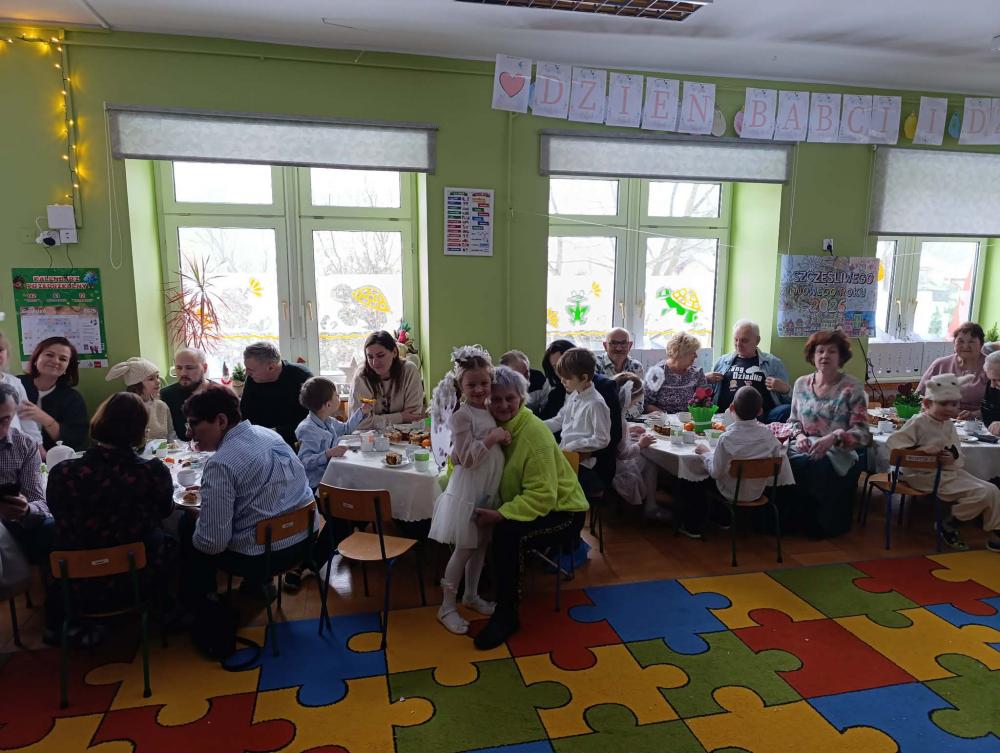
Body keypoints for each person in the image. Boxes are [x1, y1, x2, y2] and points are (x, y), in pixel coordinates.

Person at [471, 366, 589, 649]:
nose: (503, 405)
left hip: (564, 511)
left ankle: (506, 613)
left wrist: (501, 514)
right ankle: (477, 583)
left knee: (507, 534)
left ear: (522, 399)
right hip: (530, 502)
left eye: (510, 398)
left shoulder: (532, 433)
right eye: (496, 399)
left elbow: (543, 495)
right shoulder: (494, 427)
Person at [44, 392, 177, 642]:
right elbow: (165, 511)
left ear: (100, 421)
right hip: (137, 578)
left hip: (76, 582)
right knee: (173, 537)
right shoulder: (152, 471)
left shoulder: (63, 472)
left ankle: (59, 625)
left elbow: (57, 512)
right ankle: (169, 611)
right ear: (140, 431)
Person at [428, 346, 508, 634]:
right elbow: (467, 459)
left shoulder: (489, 409)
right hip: (469, 489)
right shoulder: (462, 416)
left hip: (488, 487)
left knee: (481, 545)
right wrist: (492, 438)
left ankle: (471, 595)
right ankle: (447, 606)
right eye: (471, 384)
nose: (478, 389)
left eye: (484, 383)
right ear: (460, 386)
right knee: (464, 548)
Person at [886, 374, 1000, 552]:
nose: (949, 409)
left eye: (954, 404)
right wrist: (921, 450)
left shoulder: (949, 425)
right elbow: (894, 445)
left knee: (992, 490)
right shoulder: (918, 421)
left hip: (946, 472)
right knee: (982, 493)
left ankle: (994, 532)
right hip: (919, 475)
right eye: (943, 404)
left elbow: (957, 452)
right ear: (927, 404)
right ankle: (948, 524)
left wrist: (951, 457)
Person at [284, 376, 370, 593]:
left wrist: (362, 412)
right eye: (336, 394)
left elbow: (346, 429)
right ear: (328, 404)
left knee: (359, 504)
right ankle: (307, 563)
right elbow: (303, 462)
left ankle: (345, 542)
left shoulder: (328, 421)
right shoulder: (307, 429)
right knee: (341, 520)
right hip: (316, 486)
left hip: (333, 480)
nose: (339, 397)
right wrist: (328, 453)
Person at [786, 330, 871, 538]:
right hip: (802, 445)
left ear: (841, 357)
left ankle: (818, 526)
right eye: (820, 351)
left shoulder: (852, 387)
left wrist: (834, 437)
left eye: (831, 351)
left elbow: (862, 433)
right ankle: (787, 523)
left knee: (816, 464)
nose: (825, 356)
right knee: (779, 460)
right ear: (812, 356)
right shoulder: (801, 384)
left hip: (837, 449)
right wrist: (799, 436)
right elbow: (793, 422)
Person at [694, 386, 784, 532]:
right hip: (757, 492)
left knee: (698, 478)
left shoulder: (726, 438)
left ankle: (708, 522)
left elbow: (716, 472)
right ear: (760, 411)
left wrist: (706, 453)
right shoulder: (768, 435)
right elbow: (776, 459)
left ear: (731, 408)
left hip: (729, 493)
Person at [543, 348, 611, 497]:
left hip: (582, 463)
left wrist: (574, 445)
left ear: (584, 378)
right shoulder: (574, 395)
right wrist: (537, 426)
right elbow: (559, 420)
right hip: (565, 456)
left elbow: (602, 439)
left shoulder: (596, 403)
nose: (562, 381)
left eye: (567, 378)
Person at [0, 383, 52, 566]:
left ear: (13, 415)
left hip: (12, 524)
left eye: (4, 420)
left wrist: (26, 509)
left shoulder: (25, 444)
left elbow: (40, 503)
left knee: (51, 527)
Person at [706, 320, 792, 424]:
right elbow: (706, 394)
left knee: (787, 410)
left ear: (757, 340)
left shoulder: (773, 363)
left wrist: (786, 390)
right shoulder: (722, 361)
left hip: (761, 418)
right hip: (726, 415)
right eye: (736, 340)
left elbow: (791, 401)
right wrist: (705, 378)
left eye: (744, 340)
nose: (738, 344)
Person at [17, 336, 88, 451]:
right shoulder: (15, 384)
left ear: (67, 367)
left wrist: (42, 417)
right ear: (35, 359)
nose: (55, 361)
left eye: (63, 359)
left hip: (53, 456)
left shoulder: (73, 398)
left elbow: (74, 440)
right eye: (49, 355)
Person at [239, 342, 313, 447]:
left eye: (251, 370)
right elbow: (245, 415)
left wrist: (273, 433)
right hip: (260, 442)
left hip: (296, 442)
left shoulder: (301, 377)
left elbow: (311, 419)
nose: (246, 373)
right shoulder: (253, 379)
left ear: (271, 367)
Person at [349, 330, 424, 431]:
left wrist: (376, 420)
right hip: (368, 437)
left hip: (403, 436)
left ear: (394, 352)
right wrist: (401, 417)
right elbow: (359, 423)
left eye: (380, 355)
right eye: (370, 357)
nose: (375, 363)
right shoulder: (361, 376)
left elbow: (413, 416)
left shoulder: (409, 371)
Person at [917, 322, 989, 419]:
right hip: (940, 418)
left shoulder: (992, 367)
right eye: (960, 341)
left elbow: (996, 407)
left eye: (971, 342)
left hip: (978, 422)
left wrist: (975, 414)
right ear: (954, 343)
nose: (965, 346)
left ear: (981, 344)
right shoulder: (940, 364)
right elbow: (919, 396)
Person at [609, 372, 658, 514]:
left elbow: (612, 436)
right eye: (635, 401)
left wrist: (629, 430)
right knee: (651, 461)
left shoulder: (607, 411)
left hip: (599, 463)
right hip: (614, 468)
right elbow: (624, 454)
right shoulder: (620, 421)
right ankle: (650, 505)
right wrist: (641, 444)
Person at [106, 357, 174, 444]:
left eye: (157, 377)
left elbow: (171, 434)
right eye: (151, 379)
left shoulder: (162, 406)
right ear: (136, 384)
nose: (158, 382)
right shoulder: (123, 408)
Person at [644, 332, 708, 414]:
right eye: (693, 352)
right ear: (680, 353)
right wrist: (666, 417)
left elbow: (704, 401)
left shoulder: (697, 373)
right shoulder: (657, 373)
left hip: (689, 419)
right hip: (662, 419)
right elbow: (646, 403)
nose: (696, 356)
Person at [161, 347, 215, 440]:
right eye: (179, 368)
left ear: (205, 368)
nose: (183, 373)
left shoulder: (221, 395)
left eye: (189, 368)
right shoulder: (165, 396)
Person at [0, 332, 42, 445]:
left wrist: (39, 446)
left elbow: (26, 419)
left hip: (15, 446)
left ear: (7, 353)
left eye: (0, 349)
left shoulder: (15, 382)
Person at [595, 328, 646, 421]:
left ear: (630, 345)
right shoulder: (594, 365)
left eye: (623, 343)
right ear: (605, 345)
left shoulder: (636, 367)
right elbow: (594, 403)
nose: (618, 348)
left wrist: (621, 419)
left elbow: (639, 404)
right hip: (602, 422)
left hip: (630, 421)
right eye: (613, 343)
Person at [535, 340, 576, 420]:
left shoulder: (600, 387)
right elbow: (544, 421)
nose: (561, 371)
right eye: (555, 367)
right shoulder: (556, 395)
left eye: (564, 364)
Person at [500, 350, 548, 414]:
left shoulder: (539, 381)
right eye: (518, 375)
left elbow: (547, 410)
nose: (523, 379)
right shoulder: (497, 386)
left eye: (526, 373)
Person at [983, 350, 1000, 435]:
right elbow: (988, 416)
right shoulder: (992, 386)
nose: (992, 385)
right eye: (991, 379)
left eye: (998, 380)